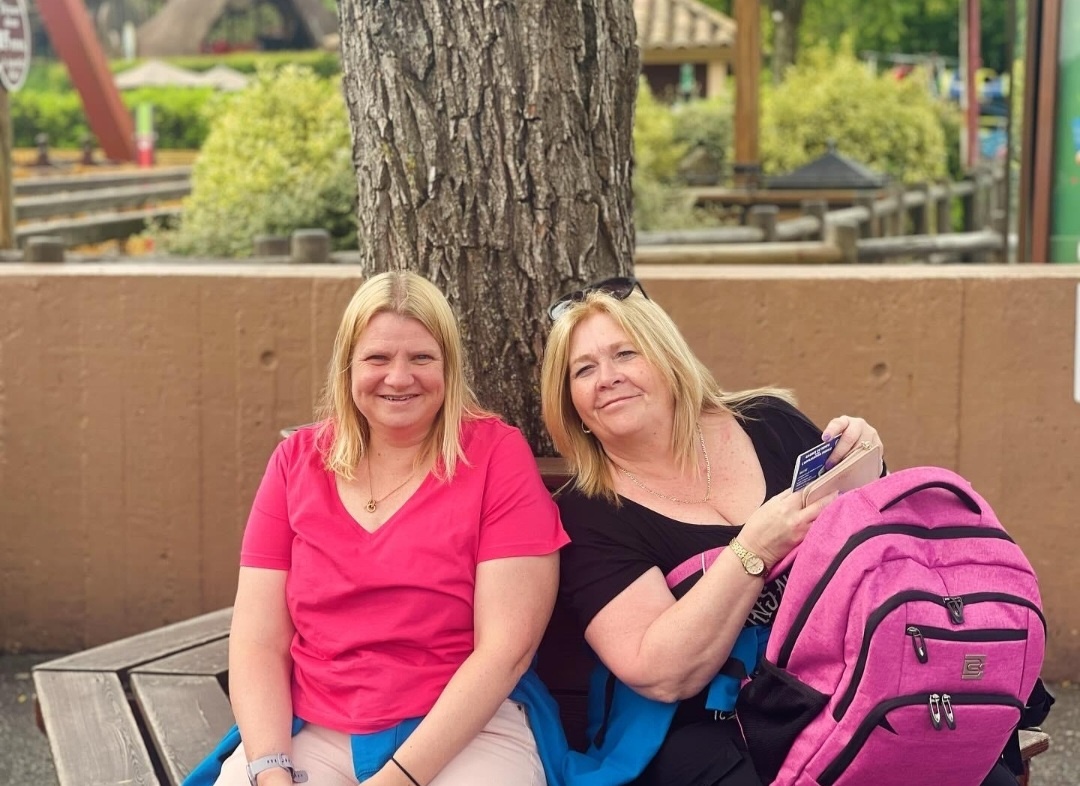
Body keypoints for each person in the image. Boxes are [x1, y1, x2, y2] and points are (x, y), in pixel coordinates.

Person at [539, 276, 1018, 786]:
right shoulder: (588, 511)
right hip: (706, 723)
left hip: (845, 682)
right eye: (584, 370)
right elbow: (662, 674)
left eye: (625, 354)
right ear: (572, 404)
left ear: (667, 359)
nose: (607, 378)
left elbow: (880, 554)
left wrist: (870, 471)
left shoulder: (769, 423)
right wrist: (753, 550)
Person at [198, 271, 569, 786]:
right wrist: (270, 770)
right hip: (314, 729)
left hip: (463, 730)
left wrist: (396, 780)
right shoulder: (296, 462)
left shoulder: (495, 456)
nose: (398, 378)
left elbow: (506, 650)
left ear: (448, 366)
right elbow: (258, 641)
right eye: (377, 358)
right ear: (348, 366)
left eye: (421, 358)